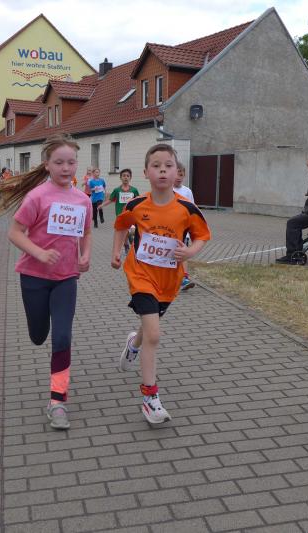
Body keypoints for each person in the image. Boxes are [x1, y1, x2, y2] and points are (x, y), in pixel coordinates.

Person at [0, 134, 92, 430]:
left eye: (71, 162)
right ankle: (38, 331)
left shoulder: (82, 199)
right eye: (59, 162)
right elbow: (14, 233)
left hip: (66, 278)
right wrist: (39, 253)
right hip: (34, 277)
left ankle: (57, 401)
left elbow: (86, 232)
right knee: (39, 335)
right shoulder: (37, 197)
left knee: (62, 337)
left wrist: (85, 255)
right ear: (47, 164)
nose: (66, 168)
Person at [112, 144, 211, 424]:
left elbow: (202, 235)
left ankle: (133, 344)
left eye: (168, 166)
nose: (163, 171)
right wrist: (116, 252)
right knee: (154, 334)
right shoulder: (136, 204)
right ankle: (150, 399)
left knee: (148, 329)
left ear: (177, 171)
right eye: (156, 166)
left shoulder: (186, 208)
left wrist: (190, 252)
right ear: (146, 172)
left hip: (169, 281)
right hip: (140, 275)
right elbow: (121, 225)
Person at [102, 169, 140, 254]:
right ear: (120, 178)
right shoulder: (117, 190)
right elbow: (111, 199)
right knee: (124, 231)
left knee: (132, 231)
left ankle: (129, 239)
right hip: (120, 215)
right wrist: (102, 205)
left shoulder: (134, 190)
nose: (126, 177)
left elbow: (138, 201)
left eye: (127, 176)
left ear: (130, 178)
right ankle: (126, 244)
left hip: (131, 215)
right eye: (124, 176)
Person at [173, 162, 196, 290]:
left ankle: (184, 278)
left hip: (184, 230)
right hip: (169, 230)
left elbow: (193, 209)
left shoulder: (187, 191)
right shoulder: (168, 190)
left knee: (183, 252)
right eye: (177, 174)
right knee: (171, 254)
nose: (179, 177)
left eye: (181, 175)